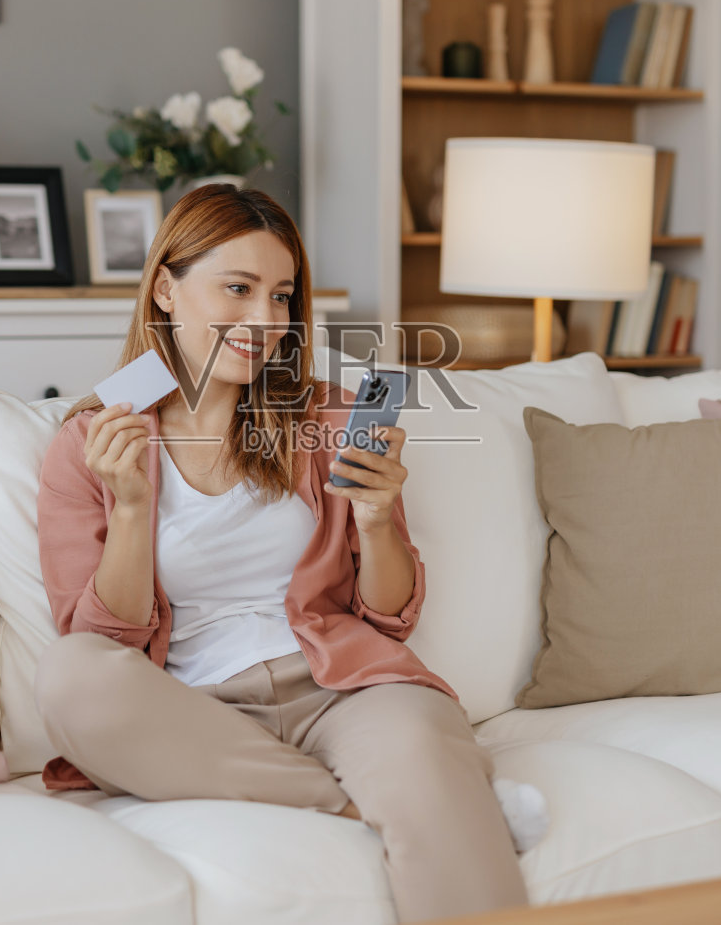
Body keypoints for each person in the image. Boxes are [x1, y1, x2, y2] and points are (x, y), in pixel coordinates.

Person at [33, 184, 530, 921]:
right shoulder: (92, 438)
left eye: (282, 295)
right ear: (166, 289)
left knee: (420, 735)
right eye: (238, 288)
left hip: (340, 686)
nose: (266, 319)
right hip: (194, 709)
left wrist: (378, 517)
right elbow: (104, 643)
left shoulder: (325, 413)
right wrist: (132, 508)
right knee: (71, 676)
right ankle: (394, 806)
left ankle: (424, 792)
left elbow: (389, 616)